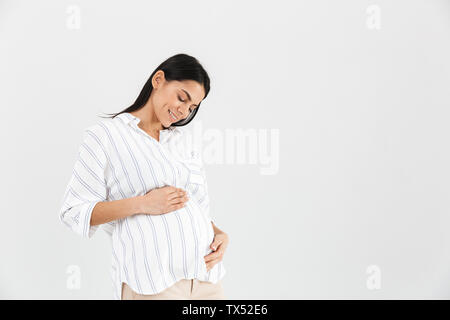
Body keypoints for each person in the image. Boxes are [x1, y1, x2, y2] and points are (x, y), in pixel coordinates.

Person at [59, 53, 229, 300]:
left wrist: (218, 233)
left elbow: (196, 207)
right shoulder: (106, 136)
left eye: (192, 107)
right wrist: (143, 204)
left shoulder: (182, 144)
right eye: (182, 98)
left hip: (206, 280)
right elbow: (73, 212)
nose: (184, 111)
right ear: (158, 79)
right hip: (154, 284)